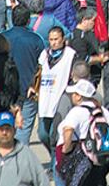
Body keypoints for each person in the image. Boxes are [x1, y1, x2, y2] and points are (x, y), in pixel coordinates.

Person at [57, 80, 109, 186]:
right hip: (99, 155)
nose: (71, 96)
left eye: (73, 94)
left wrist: (66, 149)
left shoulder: (76, 111)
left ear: (78, 96)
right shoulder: (100, 109)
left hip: (80, 155)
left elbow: (68, 130)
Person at [31, 26, 76, 170]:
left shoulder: (70, 55)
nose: (54, 43)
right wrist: (33, 86)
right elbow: (38, 73)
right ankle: (54, 156)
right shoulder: (45, 55)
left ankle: (56, 165)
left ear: (63, 39)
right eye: (51, 40)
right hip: (45, 100)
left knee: (53, 135)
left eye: (56, 39)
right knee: (42, 134)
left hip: (60, 99)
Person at [1, 5, 45, 145]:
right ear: (28, 20)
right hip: (28, 91)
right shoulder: (36, 40)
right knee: (23, 131)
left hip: (5, 92)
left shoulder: (2, 38)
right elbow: (43, 64)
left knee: (5, 130)